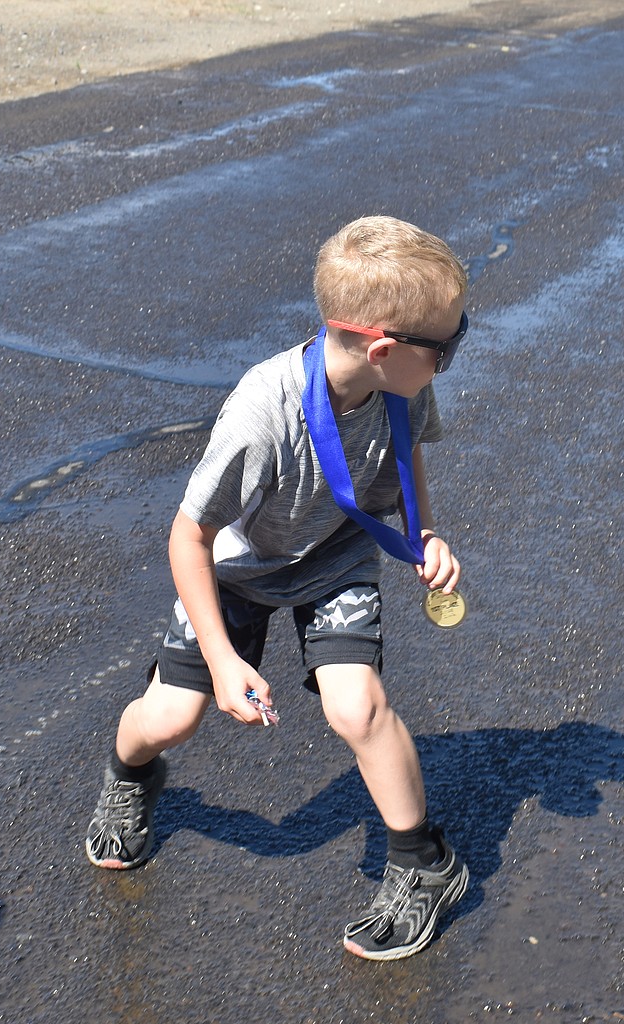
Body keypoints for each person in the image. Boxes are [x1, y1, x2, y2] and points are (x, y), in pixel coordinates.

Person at [85, 215, 470, 961]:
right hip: (235, 569)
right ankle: (129, 773)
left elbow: (408, 453)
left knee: (356, 707)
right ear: (385, 347)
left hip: (336, 555)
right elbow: (188, 536)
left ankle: (424, 865)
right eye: (447, 349)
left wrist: (425, 534)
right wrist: (227, 664)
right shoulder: (264, 414)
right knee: (170, 718)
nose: (451, 357)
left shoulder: (402, 385)